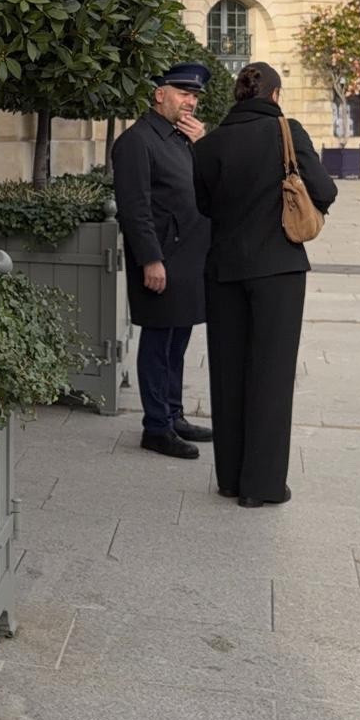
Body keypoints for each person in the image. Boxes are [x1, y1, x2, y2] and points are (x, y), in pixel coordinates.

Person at [192, 61, 337, 507]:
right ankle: (264, 485)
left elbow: (205, 207)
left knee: (228, 371)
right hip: (278, 270)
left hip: (225, 270)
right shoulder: (286, 131)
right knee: (271, 375)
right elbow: (325, 192)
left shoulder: (209, 144)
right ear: (274, 95)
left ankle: (231, 479)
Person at [111, 62, 214, 459]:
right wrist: (150, 260)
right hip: (162, 259)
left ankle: (174, 414)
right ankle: (156, 426)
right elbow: (134, 208)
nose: (191, 102)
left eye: (194, 97)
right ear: (160, 95)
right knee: (157, 342)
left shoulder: (183, 137)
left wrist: (203, 141)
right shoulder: (137, 141)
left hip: (189, 257)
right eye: (184, 94)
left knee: (177, 341)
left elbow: (207, 184)